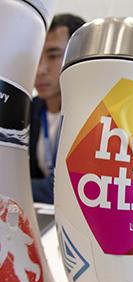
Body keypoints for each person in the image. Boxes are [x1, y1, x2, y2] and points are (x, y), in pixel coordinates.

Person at [30, 14, 85, 204]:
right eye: (36, 57)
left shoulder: (92, 116)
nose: (40, 70)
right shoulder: (28, 110)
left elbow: (65, 188)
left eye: (53, 56)